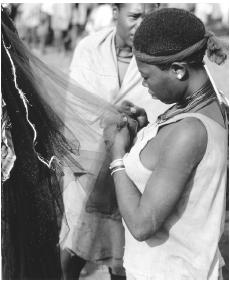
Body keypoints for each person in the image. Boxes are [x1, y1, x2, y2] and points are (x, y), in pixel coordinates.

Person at [104, 8, 228, 280]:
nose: (145, 86)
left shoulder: (189, 132)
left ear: (178, 70)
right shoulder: (203, 107)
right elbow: (170, 162)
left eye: (146, 77)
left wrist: (117, 155)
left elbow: (141, 224)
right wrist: (147, 132)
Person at [60, 3, 169, 280]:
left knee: (123, 254)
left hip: (132, 171)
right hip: (86, 166)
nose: (141, 24)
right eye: (134, 16)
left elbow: (164, 112)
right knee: (75, 243)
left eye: (148, 16)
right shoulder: (89, 49)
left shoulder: (161, 55)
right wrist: (108, 115)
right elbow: (74, 106)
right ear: (114, 13)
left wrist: (138, 122)